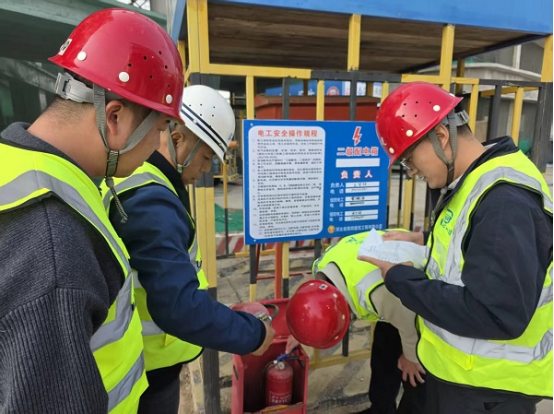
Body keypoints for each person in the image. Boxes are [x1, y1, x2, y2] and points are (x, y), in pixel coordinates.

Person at [0, 8, 185, 414]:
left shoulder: (18, 167)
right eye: (158, 130)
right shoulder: (52, 246)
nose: (157, 147)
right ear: (114, 117)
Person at [358, 82, 553, 414]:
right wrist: (422, 240)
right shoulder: (475, 181)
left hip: (488, 391)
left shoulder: (505, 202)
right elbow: (476, 249)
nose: (411, 171)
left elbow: (496, 314)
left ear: (441, 137)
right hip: (455, 375)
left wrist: (401, 279)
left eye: (409, 159)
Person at [102, 85, 275, 414]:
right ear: (178, 138)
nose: (207, 170)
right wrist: (252, 334)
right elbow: (179, 307)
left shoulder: (144, 182)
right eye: (206, 157)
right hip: (148, 372)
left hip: (147, 362)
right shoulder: (152, 200)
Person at [285, 230, 427, 414]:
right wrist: (302, 330)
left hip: (422, 298)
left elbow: (411, 320)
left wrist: (410, 357)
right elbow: (314, 303)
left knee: (416, 374)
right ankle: (381, 410)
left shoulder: (378, 293)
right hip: (392, 285)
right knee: (384, 354)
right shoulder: (322, 267)